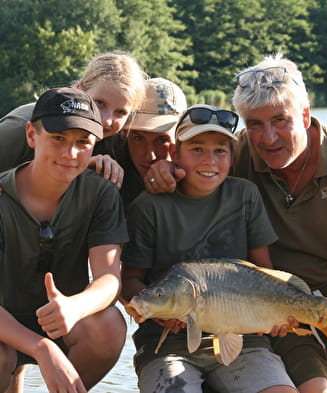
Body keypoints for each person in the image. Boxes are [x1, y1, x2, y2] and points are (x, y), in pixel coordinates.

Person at [146, 53, 327, 393]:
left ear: (305, 115)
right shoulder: (236, 154)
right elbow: (195, 174)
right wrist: (164, 171)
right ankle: (319, 366)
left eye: (281, 120)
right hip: (262, 297)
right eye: (255, 124)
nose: (268, 138)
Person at [120, 104, 298, 393]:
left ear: (232, 156)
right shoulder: (148, 207)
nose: (210, 161)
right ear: (175, 154)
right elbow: (129, 280)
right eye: (197, 149)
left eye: (220, 150)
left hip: (246, 339)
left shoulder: (244, 195)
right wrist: (152, 311)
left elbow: (266, 273)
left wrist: (278, 314)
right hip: (168, 346)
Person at [0, 87, 129, 393]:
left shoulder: (101, 193)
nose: (71, 154)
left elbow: (108, 279)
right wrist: (43, 348)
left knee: (109, 327)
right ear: (32, 135)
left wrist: (76, 307)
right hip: (4, 324)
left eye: (82, 142)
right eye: (58, 139)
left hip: (64, 319)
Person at [0, 51, 147, 189]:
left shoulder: (115, 141)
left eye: (120, 112)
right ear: (79, 89)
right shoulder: (24, 125)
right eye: (99, 103)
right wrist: (73, 165)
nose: (106, 120)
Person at [110, 77, 187, 211]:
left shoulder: (196, 167)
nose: (149, 156)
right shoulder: (105, 150)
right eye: (138, 138)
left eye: (162, 140)